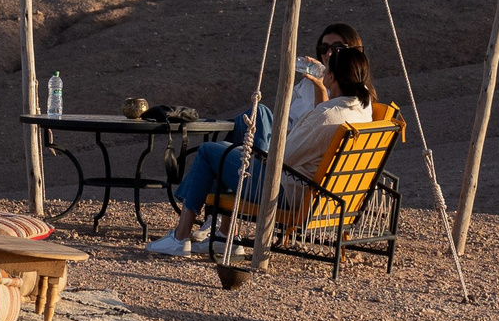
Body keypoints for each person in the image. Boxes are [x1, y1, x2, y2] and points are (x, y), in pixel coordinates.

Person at [145, 28, 375, 257]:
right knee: (229, 147)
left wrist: (257, 152)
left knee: (209, 151)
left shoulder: (326, 115)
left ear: (331, 78)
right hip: (324, 195)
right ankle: (224, 235)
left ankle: (180, 237)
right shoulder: (362, 111)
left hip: (286, 191)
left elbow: (283, 158)